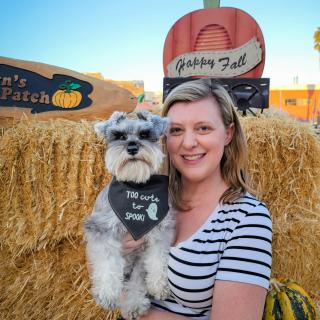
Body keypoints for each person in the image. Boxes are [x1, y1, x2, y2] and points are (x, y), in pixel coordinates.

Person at [122, 78, 272, 320]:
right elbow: (99, 262)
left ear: (228, 133)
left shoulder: (247, 218)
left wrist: (134, 309)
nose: (188, 143)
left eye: (203, 128)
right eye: (176, 130)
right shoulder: (146, 199)